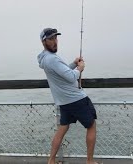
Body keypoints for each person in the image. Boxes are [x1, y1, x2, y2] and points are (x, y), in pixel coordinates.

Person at [37, 28, 98, 164]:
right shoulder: (52, 59)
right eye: (51, 39)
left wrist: (73, 64)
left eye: (55, 38)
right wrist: (80, 68)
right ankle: (90, 161)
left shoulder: (45, 59)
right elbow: (71, 77)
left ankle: (51, 160)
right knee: (91, 125)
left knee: (63, 128)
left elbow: (62, 72)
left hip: (64, 101)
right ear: (44, 41)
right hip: (76, 99)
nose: (54, 41)